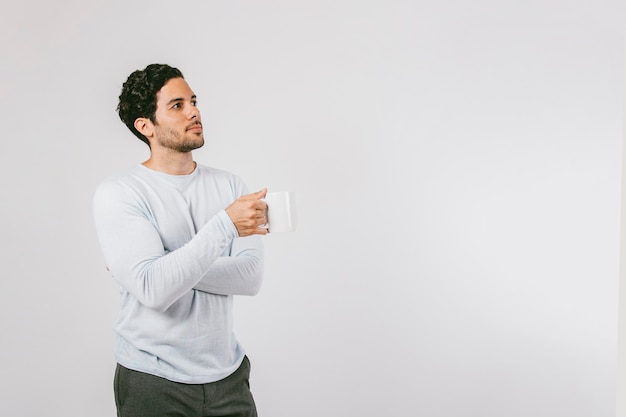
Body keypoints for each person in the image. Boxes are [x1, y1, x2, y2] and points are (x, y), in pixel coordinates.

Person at [93, 63, 268, 417]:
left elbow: (250, 278)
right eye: (177, 105)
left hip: (228, 378)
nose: (194, 111)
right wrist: (224, 226)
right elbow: (155, 291)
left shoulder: (231, 186)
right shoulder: (120, 192)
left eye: (193, 101)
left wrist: (165, 264)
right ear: (146, 126)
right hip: (153, 380)